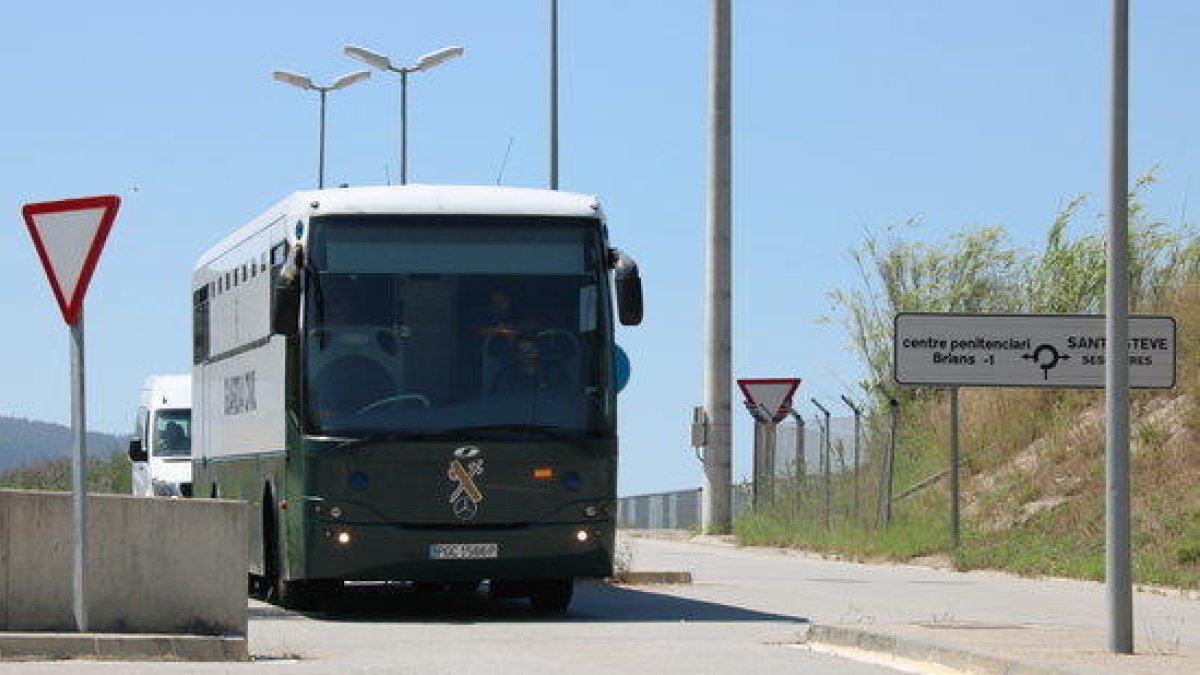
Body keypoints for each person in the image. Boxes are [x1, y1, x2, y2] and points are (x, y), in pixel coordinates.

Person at [492, 337, 571, 392]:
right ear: (517, 355)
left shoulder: (554, 372)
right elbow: (498, 400)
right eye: (521, 352)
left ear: (538, 352)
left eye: (531, 351)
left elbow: (566, 397)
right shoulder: (506, 375)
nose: (526, 355)